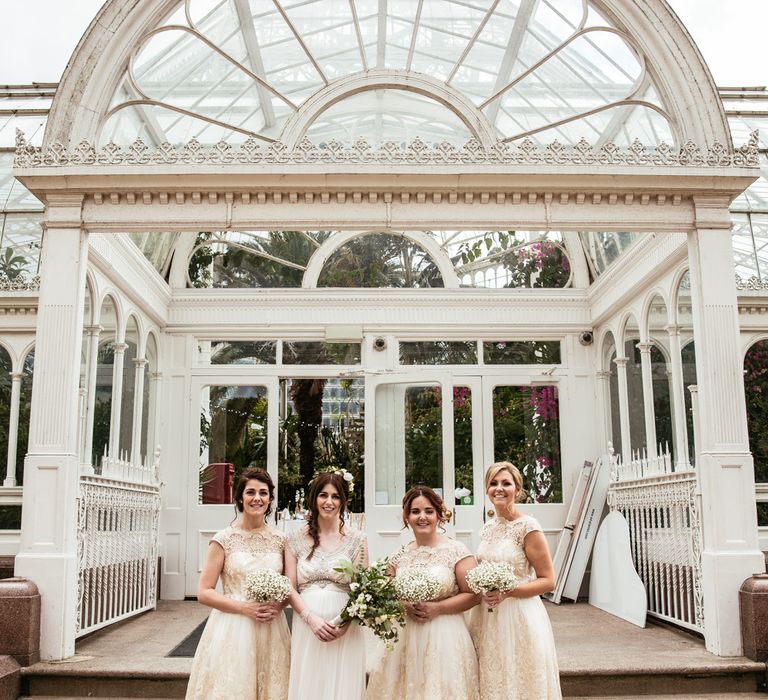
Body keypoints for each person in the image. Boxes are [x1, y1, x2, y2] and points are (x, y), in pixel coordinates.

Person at [186, 467, 291, 699]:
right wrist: (245, 608)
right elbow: (204, 592)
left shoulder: (281, 540)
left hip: (272, 626)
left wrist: (278, 606)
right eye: (250, 492)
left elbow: (290, 587)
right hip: (232, 626)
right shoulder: (223, 539)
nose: (257, 498)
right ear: (240, 498)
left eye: (263, 493)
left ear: (270, 499)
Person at [366, 486, 479, 700]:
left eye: (428, 511)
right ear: (407, 517)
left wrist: (438, 608)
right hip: (404, 637)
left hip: (445, 635)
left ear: (439, 514)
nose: (422, 517)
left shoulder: (457, 551)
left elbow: (474, 595)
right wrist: (404, 606)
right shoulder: (398, 556)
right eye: (415, 511)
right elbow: (384, 594)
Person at [469, 462, 562, 699]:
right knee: (494, 676)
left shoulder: (528, 528)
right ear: (487, 490)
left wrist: (509, 592)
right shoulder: (487, 528)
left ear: (518, 490)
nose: (498, 488)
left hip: (519, 614)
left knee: (519, 678)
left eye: (506, 483)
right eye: (493, 483)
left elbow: (548, 580)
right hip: (487, 616)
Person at [285, 472, 367, 700]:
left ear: (343, 501)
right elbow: (289, 586)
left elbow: (361, 589)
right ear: (314, 499)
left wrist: (344, 623)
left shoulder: (357, 540)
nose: (329, 502)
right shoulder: (293, 539)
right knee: (309, 685)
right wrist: (310, 619)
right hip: (307, 625)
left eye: (335, 496)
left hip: (344, 628)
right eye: (323, 495)